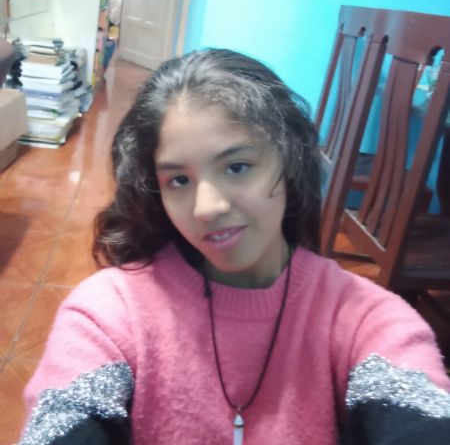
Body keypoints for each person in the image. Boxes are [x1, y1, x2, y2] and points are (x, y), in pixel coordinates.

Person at [20, 48, 450, 444]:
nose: (207, 208)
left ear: (290, 158)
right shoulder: (109, 313)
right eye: (179, 180)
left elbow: (415, 404)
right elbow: (64, 415)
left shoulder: (364, 318)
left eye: (237, 167)